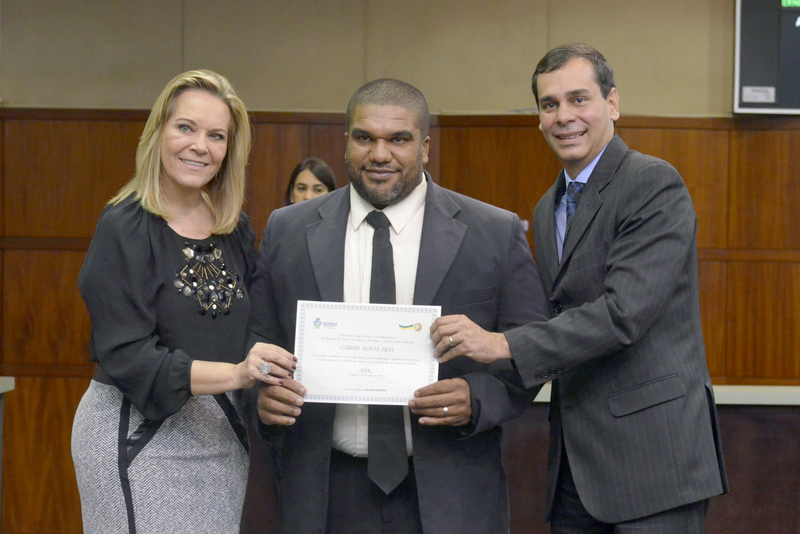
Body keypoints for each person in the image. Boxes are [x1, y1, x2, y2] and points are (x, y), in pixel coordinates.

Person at [431, 44, 728, 532]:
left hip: (654, 464)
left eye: (578, 99)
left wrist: (502, 343)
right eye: (549, 104)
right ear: (539, 119)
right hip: (575, 468)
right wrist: (474, 388)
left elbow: (622, 315)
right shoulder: (547, 207)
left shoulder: (652, 183)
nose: (564, 116)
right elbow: (549, 321)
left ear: (612, 103)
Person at [247, 78, 549, 533]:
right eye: (364, 138)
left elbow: (532, 349)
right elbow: (257, 341)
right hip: (325, 493)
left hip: (452, 494)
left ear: (424, 148)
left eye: (399, 139)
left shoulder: (493, 232)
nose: (380, 154)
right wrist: (263, 394)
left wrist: (477, 399)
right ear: (346, 143)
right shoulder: (287, 230)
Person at [71, 70, 295, 534]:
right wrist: (236, 374)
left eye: (216, 135)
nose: (200, 146)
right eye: (186, 128)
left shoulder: (235, 229)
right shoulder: (124, 226)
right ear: (158, 132)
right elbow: (128, 355)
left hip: (221, 435)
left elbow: (251, 330)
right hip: (137, 437)